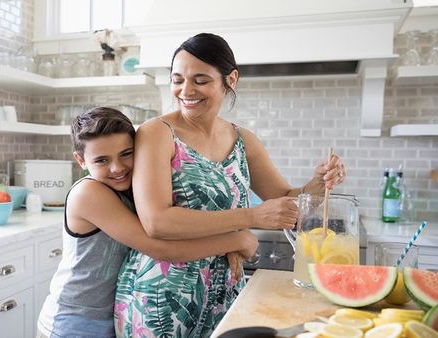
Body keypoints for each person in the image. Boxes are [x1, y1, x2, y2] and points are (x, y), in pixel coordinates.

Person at [115, 33, 346, 337]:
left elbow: (287, 200)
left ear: (231, 79)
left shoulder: (243, 140)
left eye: (200, 80)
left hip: (224, 295)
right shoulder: (157, 133)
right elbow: (157, 221)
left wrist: (319, 183)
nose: (186, 90)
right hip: (160, 299)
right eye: (178, 79)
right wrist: (250, 218)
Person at [36, 107, 258, 338]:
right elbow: (160, 247)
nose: (117, 168)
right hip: (74, 322)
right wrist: (237, 239)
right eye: (102, 160)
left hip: (109, 315)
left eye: (126, 154)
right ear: (80, 160)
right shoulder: (89, 193)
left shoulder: (131, 188)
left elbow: (182, 225)